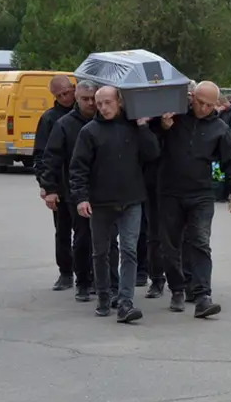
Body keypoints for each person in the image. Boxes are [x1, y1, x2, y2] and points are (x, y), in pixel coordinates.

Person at [68, 86, 160, 322]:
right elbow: (78, 168)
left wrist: (142, 127)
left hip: (131, 199)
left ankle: (126, 302)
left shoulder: (133, 127)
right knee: (100, 252)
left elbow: (152, 154)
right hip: (100, 202)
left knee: (129, 251)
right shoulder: (90, 132)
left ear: (119, 101)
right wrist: (81, 198)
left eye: (108, 102)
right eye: (99, 104)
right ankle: (103, 297)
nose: (103, 108)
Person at [155, 82, 231, 317]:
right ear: (192, 97)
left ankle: (203, 295)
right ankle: (177, 289)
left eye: (209, 104)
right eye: (200, 102)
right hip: (170, 191)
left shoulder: (219, 128)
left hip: (201, 193)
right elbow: (150, 145)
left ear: (216, 104)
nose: (203, 108)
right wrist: (164, 127)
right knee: (169, 244)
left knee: (200, 242)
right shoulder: (174, 117)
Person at [41, 81, 119, 302]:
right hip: (76, 191)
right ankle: (82, 282)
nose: (91, 103)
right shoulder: (64, 124)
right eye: (85, 99)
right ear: (77, 98)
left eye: (93, 98)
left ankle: (107, 283)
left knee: (109, 240)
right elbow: (51, 157)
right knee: (83, 238)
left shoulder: (110, 123)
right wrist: (50, 188)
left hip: (106, 191)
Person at [34, 75, 76, 291]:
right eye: (59, 96)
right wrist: (45, 184)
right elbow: (41, 155)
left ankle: (88, 272)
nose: (64, 98)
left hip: (82, 184)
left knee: (86, 233)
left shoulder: (88, 112)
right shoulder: (50, 119)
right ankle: (66, 272)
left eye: (66, 93)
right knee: (62, 230)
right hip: (59, 184)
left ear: (73, 88)